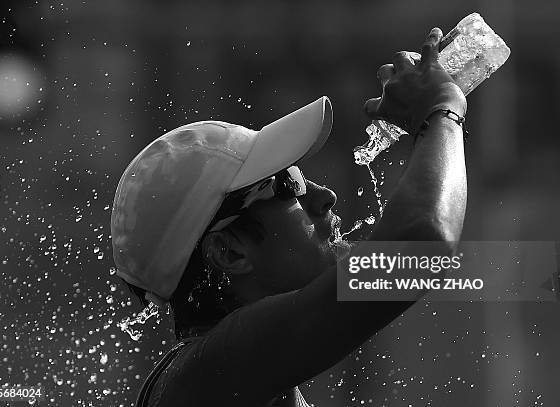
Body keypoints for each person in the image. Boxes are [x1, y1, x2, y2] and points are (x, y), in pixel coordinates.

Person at [110, 27, 467, 407]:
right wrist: (442, 112)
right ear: (228, 251)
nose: (323, 196)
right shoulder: (219, 366)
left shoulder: (222, 375)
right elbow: (419, 245)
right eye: (287, 184)